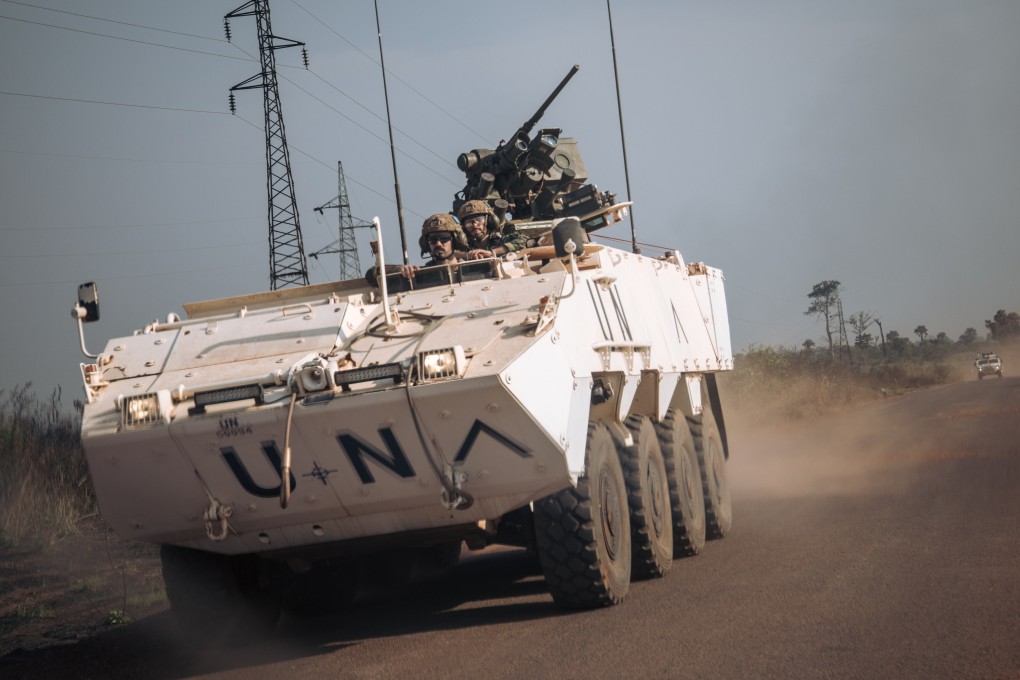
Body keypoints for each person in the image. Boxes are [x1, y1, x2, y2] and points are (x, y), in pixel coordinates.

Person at [364, 213, 468, 285]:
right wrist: (398, 269)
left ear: (456, 240)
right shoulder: (421, 275)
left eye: (444, 238)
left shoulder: (472, 268)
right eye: (432, 240)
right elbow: (371, 275)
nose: (438, 244)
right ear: (426, 244)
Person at [456, 200, 527, 259]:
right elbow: (449, 254)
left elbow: (523, 240)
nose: (474, 225)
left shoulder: (500, 240)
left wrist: (492, 252)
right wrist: (466, 255)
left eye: (479, 219)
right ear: (464, 227)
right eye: (469, 222)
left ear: (490, 221)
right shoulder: (465, 248)